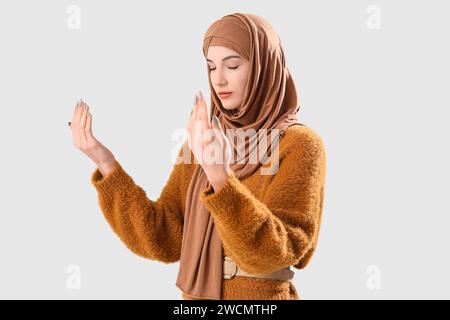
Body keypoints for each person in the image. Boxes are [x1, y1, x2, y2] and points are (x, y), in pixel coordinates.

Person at [68, 12, 326, 300]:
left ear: (265, 67)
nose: (219, 79)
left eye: (233, 65)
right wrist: (105, 163)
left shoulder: (300, 145)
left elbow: (277, 252)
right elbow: (164, 238)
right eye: (211, 67)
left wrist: (220, 178)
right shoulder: (204, 142)